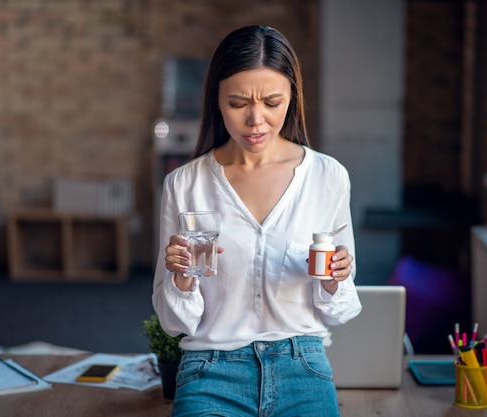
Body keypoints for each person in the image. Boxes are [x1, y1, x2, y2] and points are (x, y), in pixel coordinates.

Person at [152, 25, 362, 417]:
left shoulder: (328, 177)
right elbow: (173, 323)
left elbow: (340, 311)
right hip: (210, 369)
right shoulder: (185, 184)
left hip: (302, 363)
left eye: (271, 102)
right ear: (216, 99)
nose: (255, 119)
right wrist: (181, 279)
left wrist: (335, 281)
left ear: (292, 99)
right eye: (237, 103)